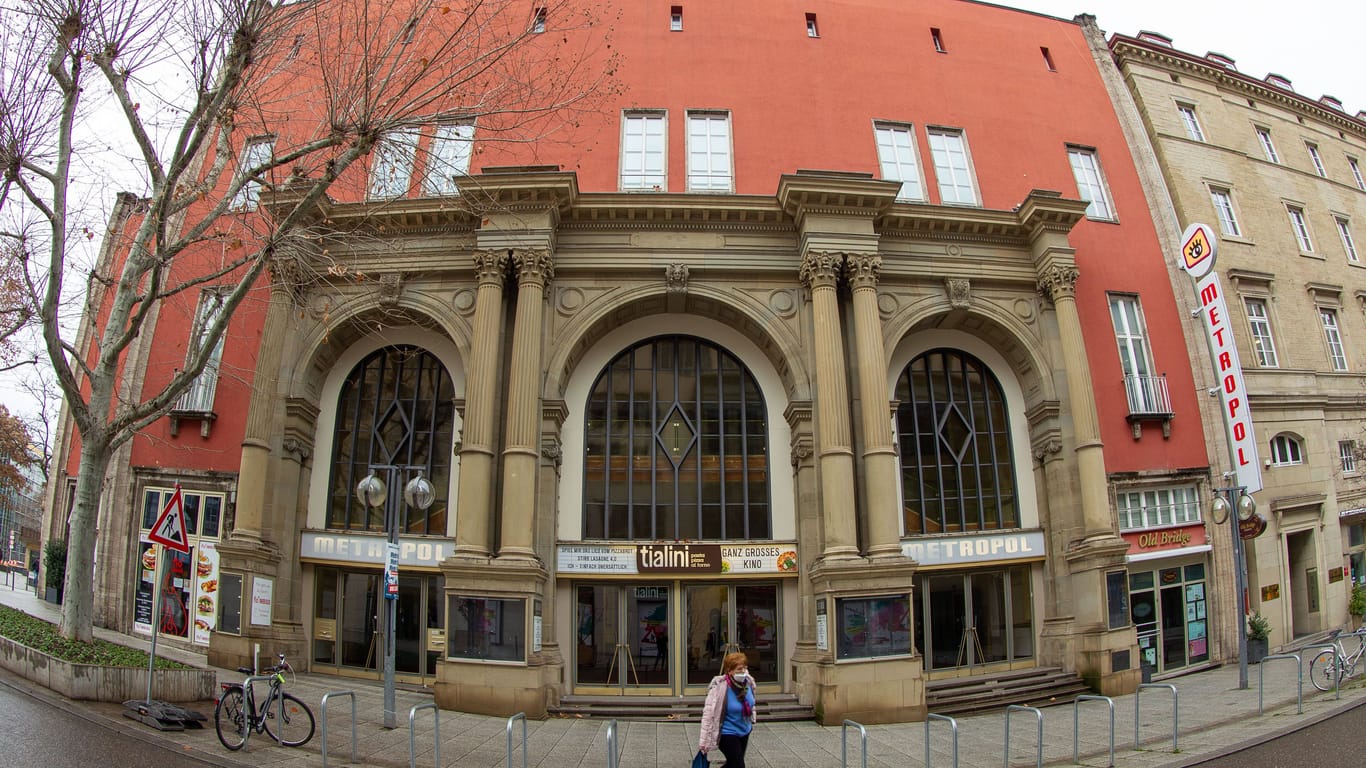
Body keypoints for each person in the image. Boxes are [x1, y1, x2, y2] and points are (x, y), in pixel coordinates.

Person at [698, 651, 756, 768]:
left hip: (744, 730)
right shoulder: (719, 689)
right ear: (730, 671)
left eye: (745, 668)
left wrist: (752, 719)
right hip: (727, 732)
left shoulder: (748, 683)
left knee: (733, 763)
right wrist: (703, 742)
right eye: (739, 669)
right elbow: (708, 716)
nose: (743, 672)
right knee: (738, 764)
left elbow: (751, 704)